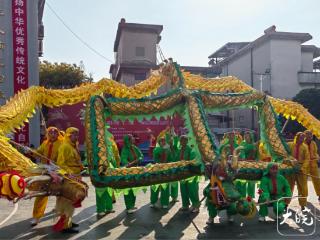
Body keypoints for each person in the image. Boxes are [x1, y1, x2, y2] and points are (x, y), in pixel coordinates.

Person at [31, 127, 63, 226]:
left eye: (54, 133)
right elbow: (38, 153)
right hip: (45, 170)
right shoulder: (45, 143)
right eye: (50, 133)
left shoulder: (62, 144)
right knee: (41, 193)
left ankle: (61, 216)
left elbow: (64, 157)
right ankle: (36, 216)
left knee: (61, 194)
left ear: (58, 134)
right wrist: (31, 151)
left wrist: (58, 164)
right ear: (48, 134)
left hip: (58, 171)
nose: (52, 134)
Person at [55, 127, 83, 233]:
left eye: (77, 134)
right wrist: (69, 173)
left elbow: (75, 160)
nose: (76, 137)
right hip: (69, 178)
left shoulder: (73, 146)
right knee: (67, 202)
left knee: (72, 202)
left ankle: (68, 221)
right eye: (74, 135)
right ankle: (65, 226)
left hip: (76, 177)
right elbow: (61, 164)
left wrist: (81, 167)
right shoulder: (65, 147)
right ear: (68, 135)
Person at [95, 136, 120, 217]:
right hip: (100, 171)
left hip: (109, 170)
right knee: (100, 191)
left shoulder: (109, 149)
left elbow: (113, 159)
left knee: (109, 190)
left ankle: (109, 207)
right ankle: (100, 209)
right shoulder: (97, 148)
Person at [176, 135, 200, 213]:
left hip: (191, 173)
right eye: (181, 140)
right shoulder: (179, 150)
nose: (183, 142)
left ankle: (196, 206)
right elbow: (176, 159)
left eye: (184, 140)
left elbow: (193, 160)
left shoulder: (191, 149)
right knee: (183, 189)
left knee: (192, 189)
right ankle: (185, 205)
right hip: (182, 172)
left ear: (187, 141)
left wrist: (186, 163)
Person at [120, 134, 143, 213]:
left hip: (135, 171)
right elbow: (123, 160)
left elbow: (141, 155)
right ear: (128, 140)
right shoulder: (124, 150)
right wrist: (130, 164)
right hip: (128, 172)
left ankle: (132, 205)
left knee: (134, 188)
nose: (133, 139)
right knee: (128, 189)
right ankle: (128, 207)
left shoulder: (134, 147)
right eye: (131, 138)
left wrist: (139, 159)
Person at [287, 132, 310, 210]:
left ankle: (303, 204)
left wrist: (302, 168)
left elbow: (307, 158)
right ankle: (286, 203)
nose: (302, 139)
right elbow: (285, 155)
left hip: (301, 169)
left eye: (303, 138)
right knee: (289, 187)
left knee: (302, 187)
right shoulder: (289, 145)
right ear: (296, 137)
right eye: (300, 138)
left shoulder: (305, 147)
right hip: (291, 168)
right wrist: (291, 161)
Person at [150, 136, 173, 209]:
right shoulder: (156, 149)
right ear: (159, 143)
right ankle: (153, 202)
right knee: (154, 186)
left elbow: (170, 159)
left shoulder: (168, 150)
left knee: (165, 187)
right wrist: (163, 150)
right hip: (157, 170)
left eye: (164, 141)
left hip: (165, 170)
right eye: (161, 141)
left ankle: (165, 203)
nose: (163, 142)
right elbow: (155, 157)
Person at [234, 132, 257, 198]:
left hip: (252, 164)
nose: (246, 138)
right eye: (245, 136)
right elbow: (242, 152)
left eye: (247, 136)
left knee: (251, 181)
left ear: (251, 137)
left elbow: (255, 155)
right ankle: (242, 196)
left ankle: (250, 197)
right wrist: (243, 159)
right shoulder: (243, 143)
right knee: (242, 180)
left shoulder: (254, 145)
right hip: (243, 164)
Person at [304, 130, 320, 202]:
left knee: (317, 180)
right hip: (305, 165)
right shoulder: (302, 143)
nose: (310, 136)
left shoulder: (313, 143)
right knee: (303, 181)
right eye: (308, 135)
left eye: (311, 135)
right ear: (305, 135)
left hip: (313, 165)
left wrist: (317, 157)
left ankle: (319, 195)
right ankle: (304, 196)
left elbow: (315, 152)